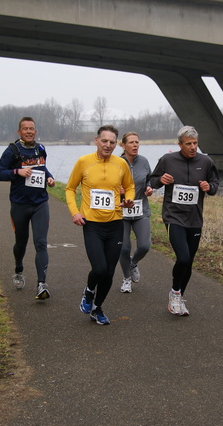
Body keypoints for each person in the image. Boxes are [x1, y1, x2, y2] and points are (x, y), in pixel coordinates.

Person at [65, 125, 135, 325]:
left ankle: (98, 308)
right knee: (99, 269)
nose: (108, 145)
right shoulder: (84, 162)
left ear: (116, 144)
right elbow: (70, 188)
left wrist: (129, 199)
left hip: (115, 224)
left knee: (110, 272)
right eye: (104, 141)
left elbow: (130, 186)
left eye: (112, 142)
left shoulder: (121, 164)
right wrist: (75, 212)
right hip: (92, 224)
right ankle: (88, 292)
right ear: (96, 141)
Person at [149, 125, 219, 316]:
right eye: (188, 144)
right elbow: (152, 181)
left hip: (195, 219)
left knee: (189, 262)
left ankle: (178, 297)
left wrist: (208, 187)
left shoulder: (205, 161)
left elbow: (215, 185)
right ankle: (175, 292)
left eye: (195, 143)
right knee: (183, 257)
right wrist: (160, 180)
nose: (192, 147)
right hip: (174, 217)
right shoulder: (167, 160)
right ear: (180, 144)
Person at [0, 116, 56, 301]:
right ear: (19, 132)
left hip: (40, 204)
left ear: (35, 132)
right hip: (20, 205)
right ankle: (19, 268)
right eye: (25, 129)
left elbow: (43, 169)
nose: (29, 131)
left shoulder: (41, 149)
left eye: (32, 128)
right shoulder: (12, 151)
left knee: (41, 243)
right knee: (21, 242)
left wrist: (50, 178)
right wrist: (17, 172)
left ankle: (41, 284)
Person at [118, 132, 153, 293]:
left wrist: (149, 187)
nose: (135, 145)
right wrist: (117, 190)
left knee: (145, 245)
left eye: (137, 142)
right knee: (124, 248)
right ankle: (126, 279)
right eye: (131, 142)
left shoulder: (144, 162)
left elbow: (150, 179)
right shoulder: (116, 163)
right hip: (122, 211)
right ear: (123, 145)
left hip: (140, 209)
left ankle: (133, 263)